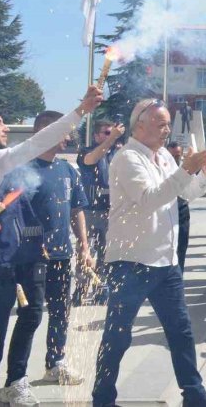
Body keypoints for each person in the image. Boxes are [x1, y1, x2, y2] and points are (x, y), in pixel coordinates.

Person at [92, 98, 206, 407]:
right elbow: (149, 199)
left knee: (181, 331)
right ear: (139, 125)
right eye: (161, 124)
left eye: (168, 124)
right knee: (118, 336)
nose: (167, 129)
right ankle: (102, 399)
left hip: (165, 263)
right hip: (130, 263)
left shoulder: (165, 157)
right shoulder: (127, 158)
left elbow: (186, 193)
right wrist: (187, 168)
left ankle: (194, 394)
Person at [0, 85, 102, 407]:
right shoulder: (2, 165)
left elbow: (75, 209)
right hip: (16, 262)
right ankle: (16, 380)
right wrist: (81, 110)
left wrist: (83, 246)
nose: (6, 128)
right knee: (16, 325)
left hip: (37, 259)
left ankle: (53, 362)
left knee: (50, 314)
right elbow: (30, 149)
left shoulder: (64, 170)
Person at [76, 118, 124, 304]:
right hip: (89, 211)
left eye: (112, 133)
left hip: (111, 212)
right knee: (85, 251)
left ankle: (101, 288)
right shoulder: (87, 151)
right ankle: (81, 288)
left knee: (106, 254)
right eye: (107, 133)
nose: (111, 136)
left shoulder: (117, 154)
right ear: (96, 136)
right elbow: (92, 159)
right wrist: (111, 140)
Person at [167, 141, 192, 272]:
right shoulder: (162, 167)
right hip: (166, 211)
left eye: (177, 155)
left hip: (182, 209)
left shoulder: (185, 166)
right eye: (172, 155)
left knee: (181, 247)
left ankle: (179, 274)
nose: (174, 158)